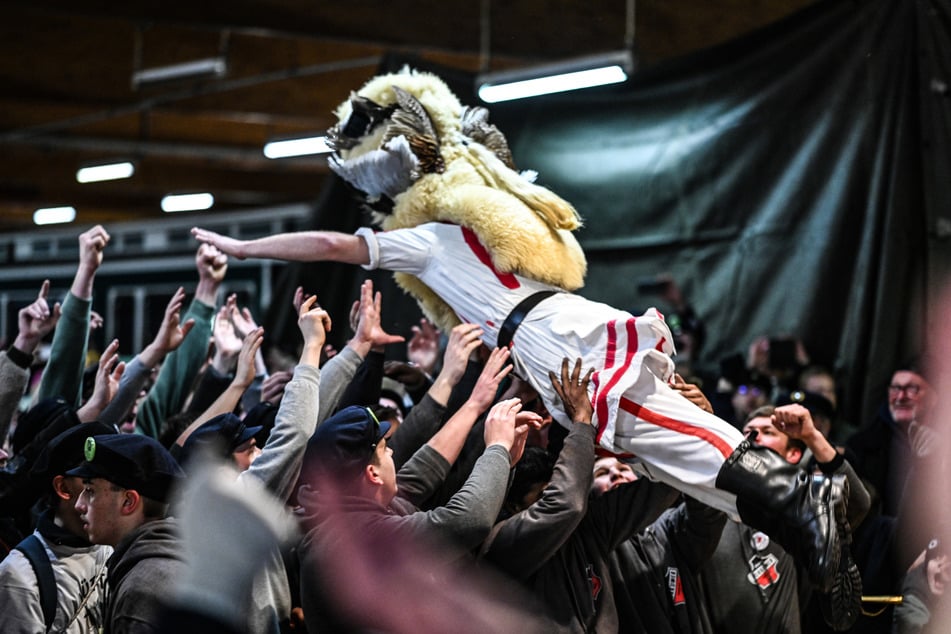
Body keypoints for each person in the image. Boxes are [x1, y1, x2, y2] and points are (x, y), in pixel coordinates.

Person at [189, 68, 856, 605]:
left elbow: (332, 244)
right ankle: (801, 525)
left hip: (552, 333)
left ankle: (802, 500)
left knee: (665, 429)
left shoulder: (427, 234)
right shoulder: (483, 213)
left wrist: (245, 246)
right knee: (667, 449)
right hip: (550, 329)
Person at [0, 421, 116, 633]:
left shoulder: (111, 546)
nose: (109, 494)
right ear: (63, 487)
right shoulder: (20, 575)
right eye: (92, 484)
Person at [68, 434, 185, 633]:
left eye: (90, 491)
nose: (79, 505)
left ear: (128, 502)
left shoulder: (142, 592)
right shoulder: (167, 556)